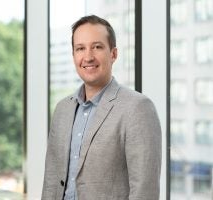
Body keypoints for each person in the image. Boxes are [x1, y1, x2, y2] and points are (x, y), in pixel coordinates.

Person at [42, 15, 161, 200]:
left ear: (113, 54)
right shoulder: (62, 109)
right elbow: (51, 181)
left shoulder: (138, 108)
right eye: (80, 48)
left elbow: (145, 191)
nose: (88, 57)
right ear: (73, 55)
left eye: (97, 47)